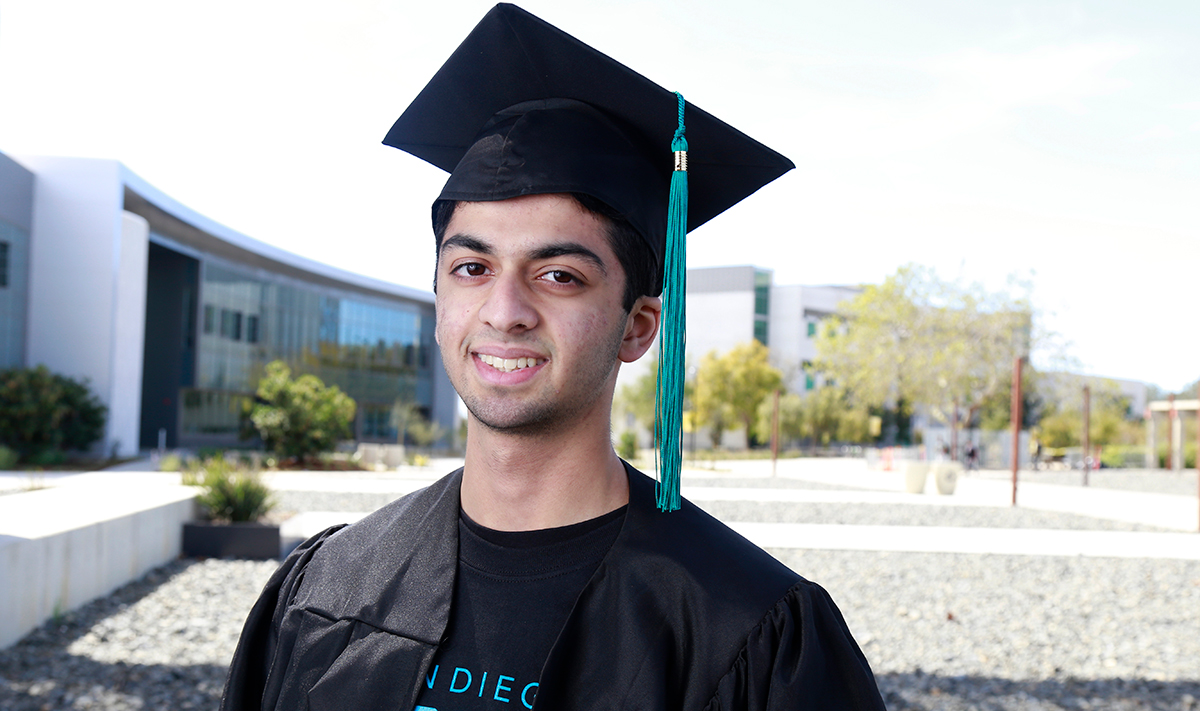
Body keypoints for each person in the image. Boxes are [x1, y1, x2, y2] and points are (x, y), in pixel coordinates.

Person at [220, 5, 885, 710]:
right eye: (472, 268)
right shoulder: (326, 587)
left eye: (558, 275)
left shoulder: (749, 631)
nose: (504, 310)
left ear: (638, 326)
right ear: (440, 296)